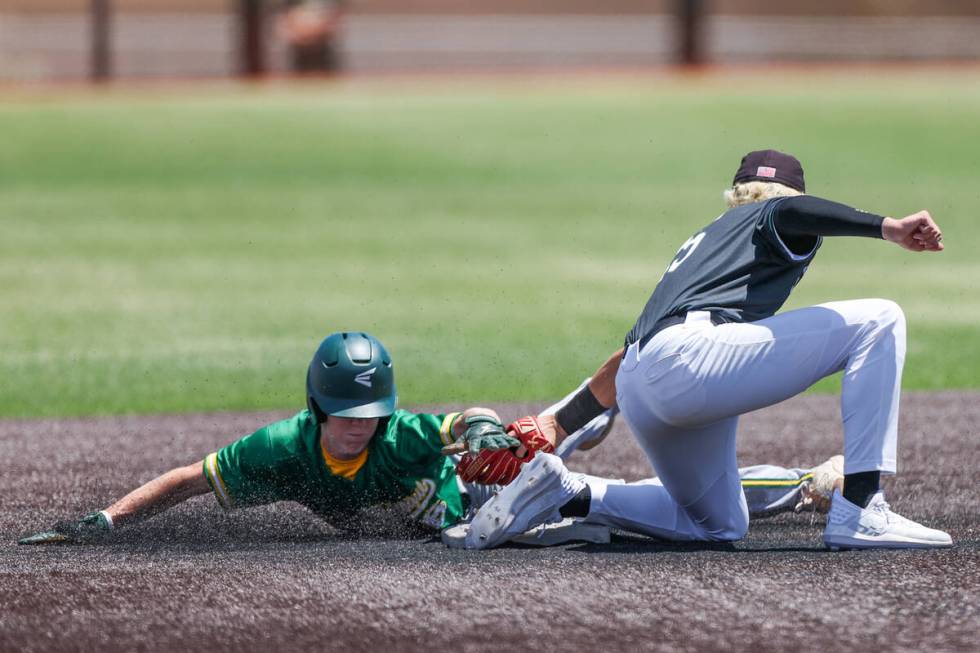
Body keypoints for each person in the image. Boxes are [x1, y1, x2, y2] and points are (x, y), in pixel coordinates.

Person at [465, 149, 952, 551]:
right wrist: (887, 227)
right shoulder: (771, 216)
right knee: (880, 318)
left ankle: (571, 493)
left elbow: (634, 353)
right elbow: (792, 211)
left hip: (645, 381)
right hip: (693, 361)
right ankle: (863, 509)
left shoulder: (711, 239)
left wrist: (562, 422)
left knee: (718, 525)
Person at [18, 330, 839, 546]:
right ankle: (592, 405)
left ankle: (802, 484)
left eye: (371, 413)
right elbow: (189, 478)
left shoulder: (404, 433)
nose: (361, 424)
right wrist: (112, 519)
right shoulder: (280, 451)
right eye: (347, 412)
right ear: (315, 410)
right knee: (560, 455)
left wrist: (484, 431)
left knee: (601, 512)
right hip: (459, 513)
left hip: (482, 499)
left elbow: (457, 424)